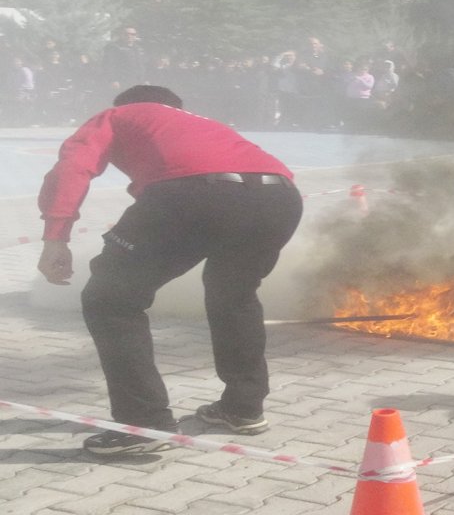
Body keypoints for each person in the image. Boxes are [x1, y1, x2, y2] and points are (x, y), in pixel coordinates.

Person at [37, 85, 303, 455]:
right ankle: (243, 408)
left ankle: (144, 423)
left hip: (194, 195)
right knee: (234, 297)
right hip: (280, 197)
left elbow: (72, 167)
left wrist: (55, 237)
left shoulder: (118, 115)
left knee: (110, 300)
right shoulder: (201, 123)